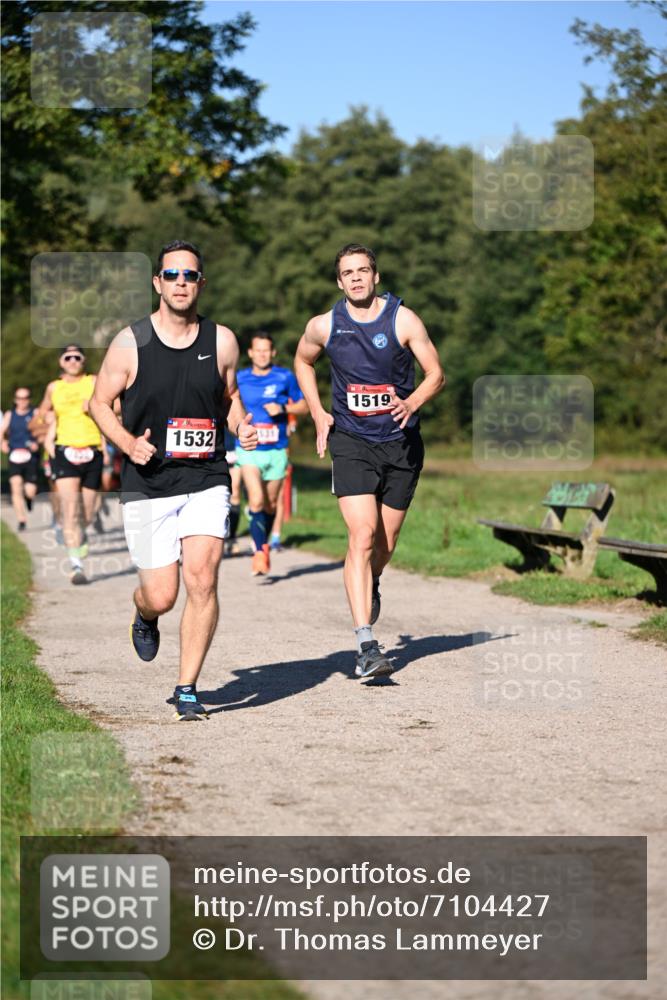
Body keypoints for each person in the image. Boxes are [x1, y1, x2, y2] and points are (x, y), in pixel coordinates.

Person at [89, 240, 257, 722]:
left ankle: (187, 687)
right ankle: (143, 613)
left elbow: (227, 396)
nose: (182, 282)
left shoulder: (222, 340)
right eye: (173, 275)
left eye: (190, 275)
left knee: (202, 578)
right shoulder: (130, 342)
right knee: (163, 594)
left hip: (206, 474)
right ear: (157, 283)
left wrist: (240, 423)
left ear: (201, 283)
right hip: (149, 481)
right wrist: (127, 443)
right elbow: (99, 403)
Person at [295, 243, 445, 678]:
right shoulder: (324, 325)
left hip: (400, 444)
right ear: (339, 282)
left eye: (364, 270)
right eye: (348, 272)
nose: (357, 278)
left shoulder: (402, 319)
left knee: (385, 544)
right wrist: (318, 411)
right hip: (351, 441)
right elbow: (303, 362)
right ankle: (365, 644)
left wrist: (412, 402)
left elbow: (436, 373)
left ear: (375, 276)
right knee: (361, 536)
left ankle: (372, 578)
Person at [235, 333, 307, 575]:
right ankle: (259, 552)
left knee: (270, 503)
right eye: (258, 350)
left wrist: (284, 408)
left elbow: (304, 405)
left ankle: (262, 543)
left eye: (267, 350)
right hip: (249, 449)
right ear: (250, 353)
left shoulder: (285, 377)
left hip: (277, 450)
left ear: (273, 353)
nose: (262, 354)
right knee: (255, 499)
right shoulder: (239, 378)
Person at [35, 346, 103, 584]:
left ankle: (81, 536)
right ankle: (76, 566)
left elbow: (114, 408)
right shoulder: (54, 387)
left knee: (89, 512)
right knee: (70, 510)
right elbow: (38, 418)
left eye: (77, 357)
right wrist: (47, 421)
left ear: (83, 361)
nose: (73, 361)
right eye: (68, 357)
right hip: (64, 451)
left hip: (93, 451)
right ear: (61, 362)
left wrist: (94, 408)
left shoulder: (94, 381)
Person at [1, 386, 39, 532]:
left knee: (30, 490)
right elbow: (2, 432)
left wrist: (37, 443)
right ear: (15, 400)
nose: (22, 401)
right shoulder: (10, 415)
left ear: (29, 399)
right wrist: (3, 443)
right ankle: (21, 520)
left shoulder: (34, 413)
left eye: (25, 398)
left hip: (30, 457)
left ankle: (29, 499)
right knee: (15, 487)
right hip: (14, 455)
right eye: (19, 398)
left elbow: (43, 431)